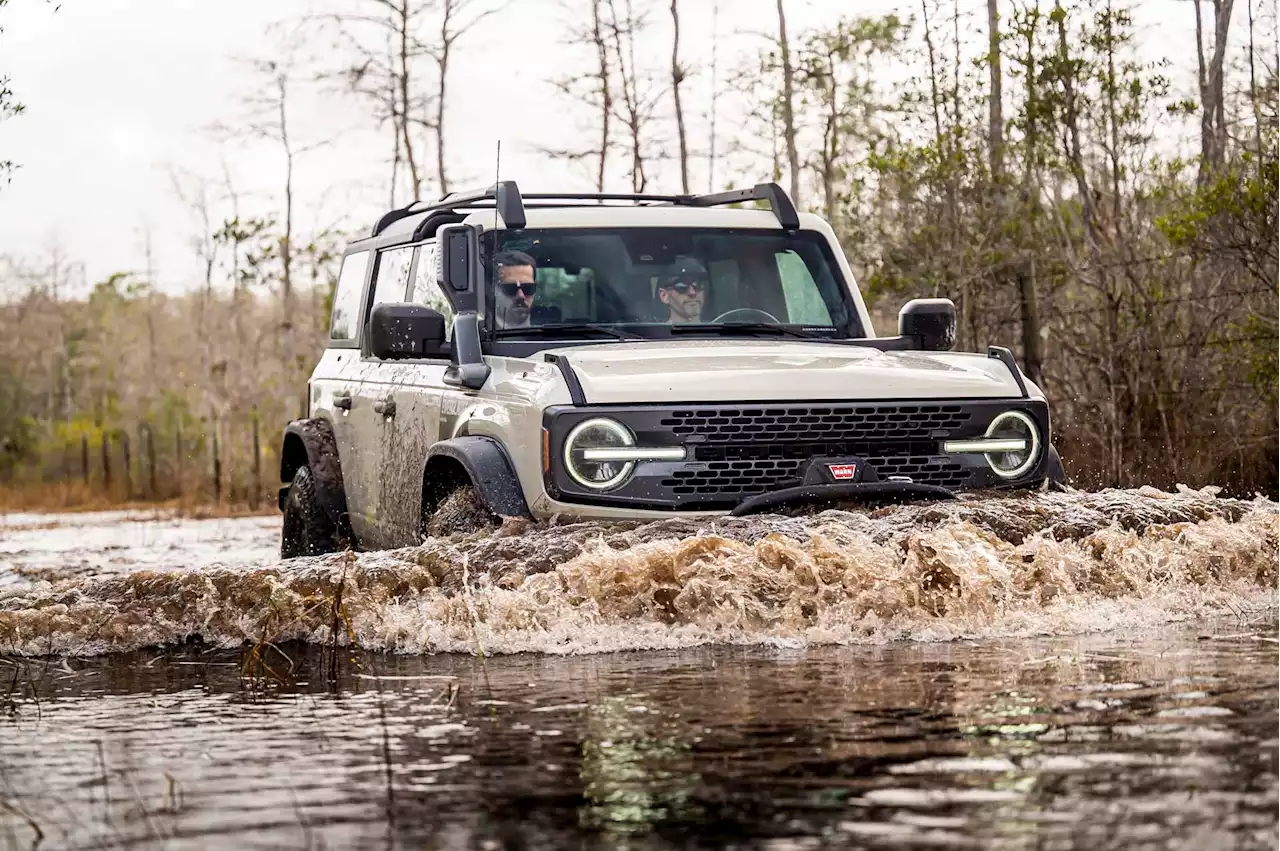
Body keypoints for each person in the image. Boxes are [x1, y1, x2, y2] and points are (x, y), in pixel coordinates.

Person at [656, 256, 708, 324]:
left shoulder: (719, 332)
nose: (692, 292)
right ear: (664, 296)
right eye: (682, 286)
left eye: (698, 284)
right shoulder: (657, 334)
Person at [493, 250, 538, 329]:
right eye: (511, 288)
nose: (521, 295)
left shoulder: (549, 335)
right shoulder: (475, 335)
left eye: (528, 288)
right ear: (494, 291)